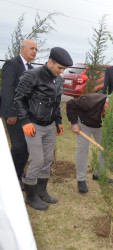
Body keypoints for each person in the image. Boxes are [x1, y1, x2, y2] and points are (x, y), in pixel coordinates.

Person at [14, 47, 73, 210]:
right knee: (37, 160)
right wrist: (25, 121)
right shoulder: (32, 76)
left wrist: (59, 121)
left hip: (49, 126)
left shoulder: (58, 80)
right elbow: (18, 99)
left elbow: (56, 102)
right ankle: (30, 196)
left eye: (64, 69)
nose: (61, 72)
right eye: (59, 68)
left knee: (47, 160)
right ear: (50, 61)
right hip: (33, 125)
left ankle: (41, 191)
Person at [0, 39, 37, 190]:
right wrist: (10, 112)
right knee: (20, 146)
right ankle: (12, 177)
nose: (34, 51)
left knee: (26, 146)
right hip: (14, 113)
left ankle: (17, 174)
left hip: (26, 114)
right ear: (22, 49)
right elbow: (8, 90)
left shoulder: (31, 68)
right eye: (32, 48)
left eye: (36, 49)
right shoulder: (11, 65)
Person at [66, 93, 113, 193]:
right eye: (111, 107)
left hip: (100, 125)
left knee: (107, 148)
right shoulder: (91, 101)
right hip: (83, 123)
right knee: (83, 149)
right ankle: (81, 180)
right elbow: (70, 103)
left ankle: (99, 174)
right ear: (105, 103)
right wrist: (74, 123)